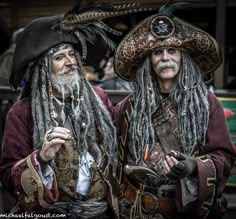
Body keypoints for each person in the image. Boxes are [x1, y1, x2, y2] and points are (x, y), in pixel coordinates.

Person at [0, 1, 154, 216]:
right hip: (53, 212)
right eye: (59, 58)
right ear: (44, 68)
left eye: (72, 55)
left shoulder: (98, 97)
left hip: (100, 211)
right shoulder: (22, 111)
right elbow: (8, 175)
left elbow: (120, 134)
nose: (70, 62)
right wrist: (41, 158)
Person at [113, 2, 236, 219]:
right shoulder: (128, 107)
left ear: (183, 58)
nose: (165, 57)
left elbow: (224, 157)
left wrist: (194, 166)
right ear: (149, 61)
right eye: (157, 52)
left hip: (186, 210)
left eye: (172, 51)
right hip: (136, 210)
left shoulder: (207, 104)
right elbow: (113, 155)